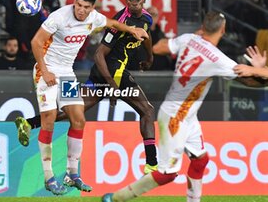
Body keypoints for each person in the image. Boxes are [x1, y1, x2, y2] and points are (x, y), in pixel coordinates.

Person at [101, 11, 268, 202]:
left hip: (186, 115)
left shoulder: (189, 38)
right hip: (176, 118)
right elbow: (250, 82)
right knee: (167, 174)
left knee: (201, 159)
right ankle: (115, 198)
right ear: (223, 30)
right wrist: (260, 70)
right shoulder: (217, 58)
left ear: (203, 26)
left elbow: (160, 47)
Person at [16, 0, 158, 176]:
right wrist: (112, 85)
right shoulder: (113, 20)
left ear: (144, 0)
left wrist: (149, 56)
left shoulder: (143, 18)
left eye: (137, 0)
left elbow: (140, 33)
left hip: (90, 73)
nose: (134, 4)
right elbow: (99, 54)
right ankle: (153, 165)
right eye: (131, 0)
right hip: (105, 73)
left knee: (76, 113)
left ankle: (30, 123)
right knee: (147, 110)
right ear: (126, 0)